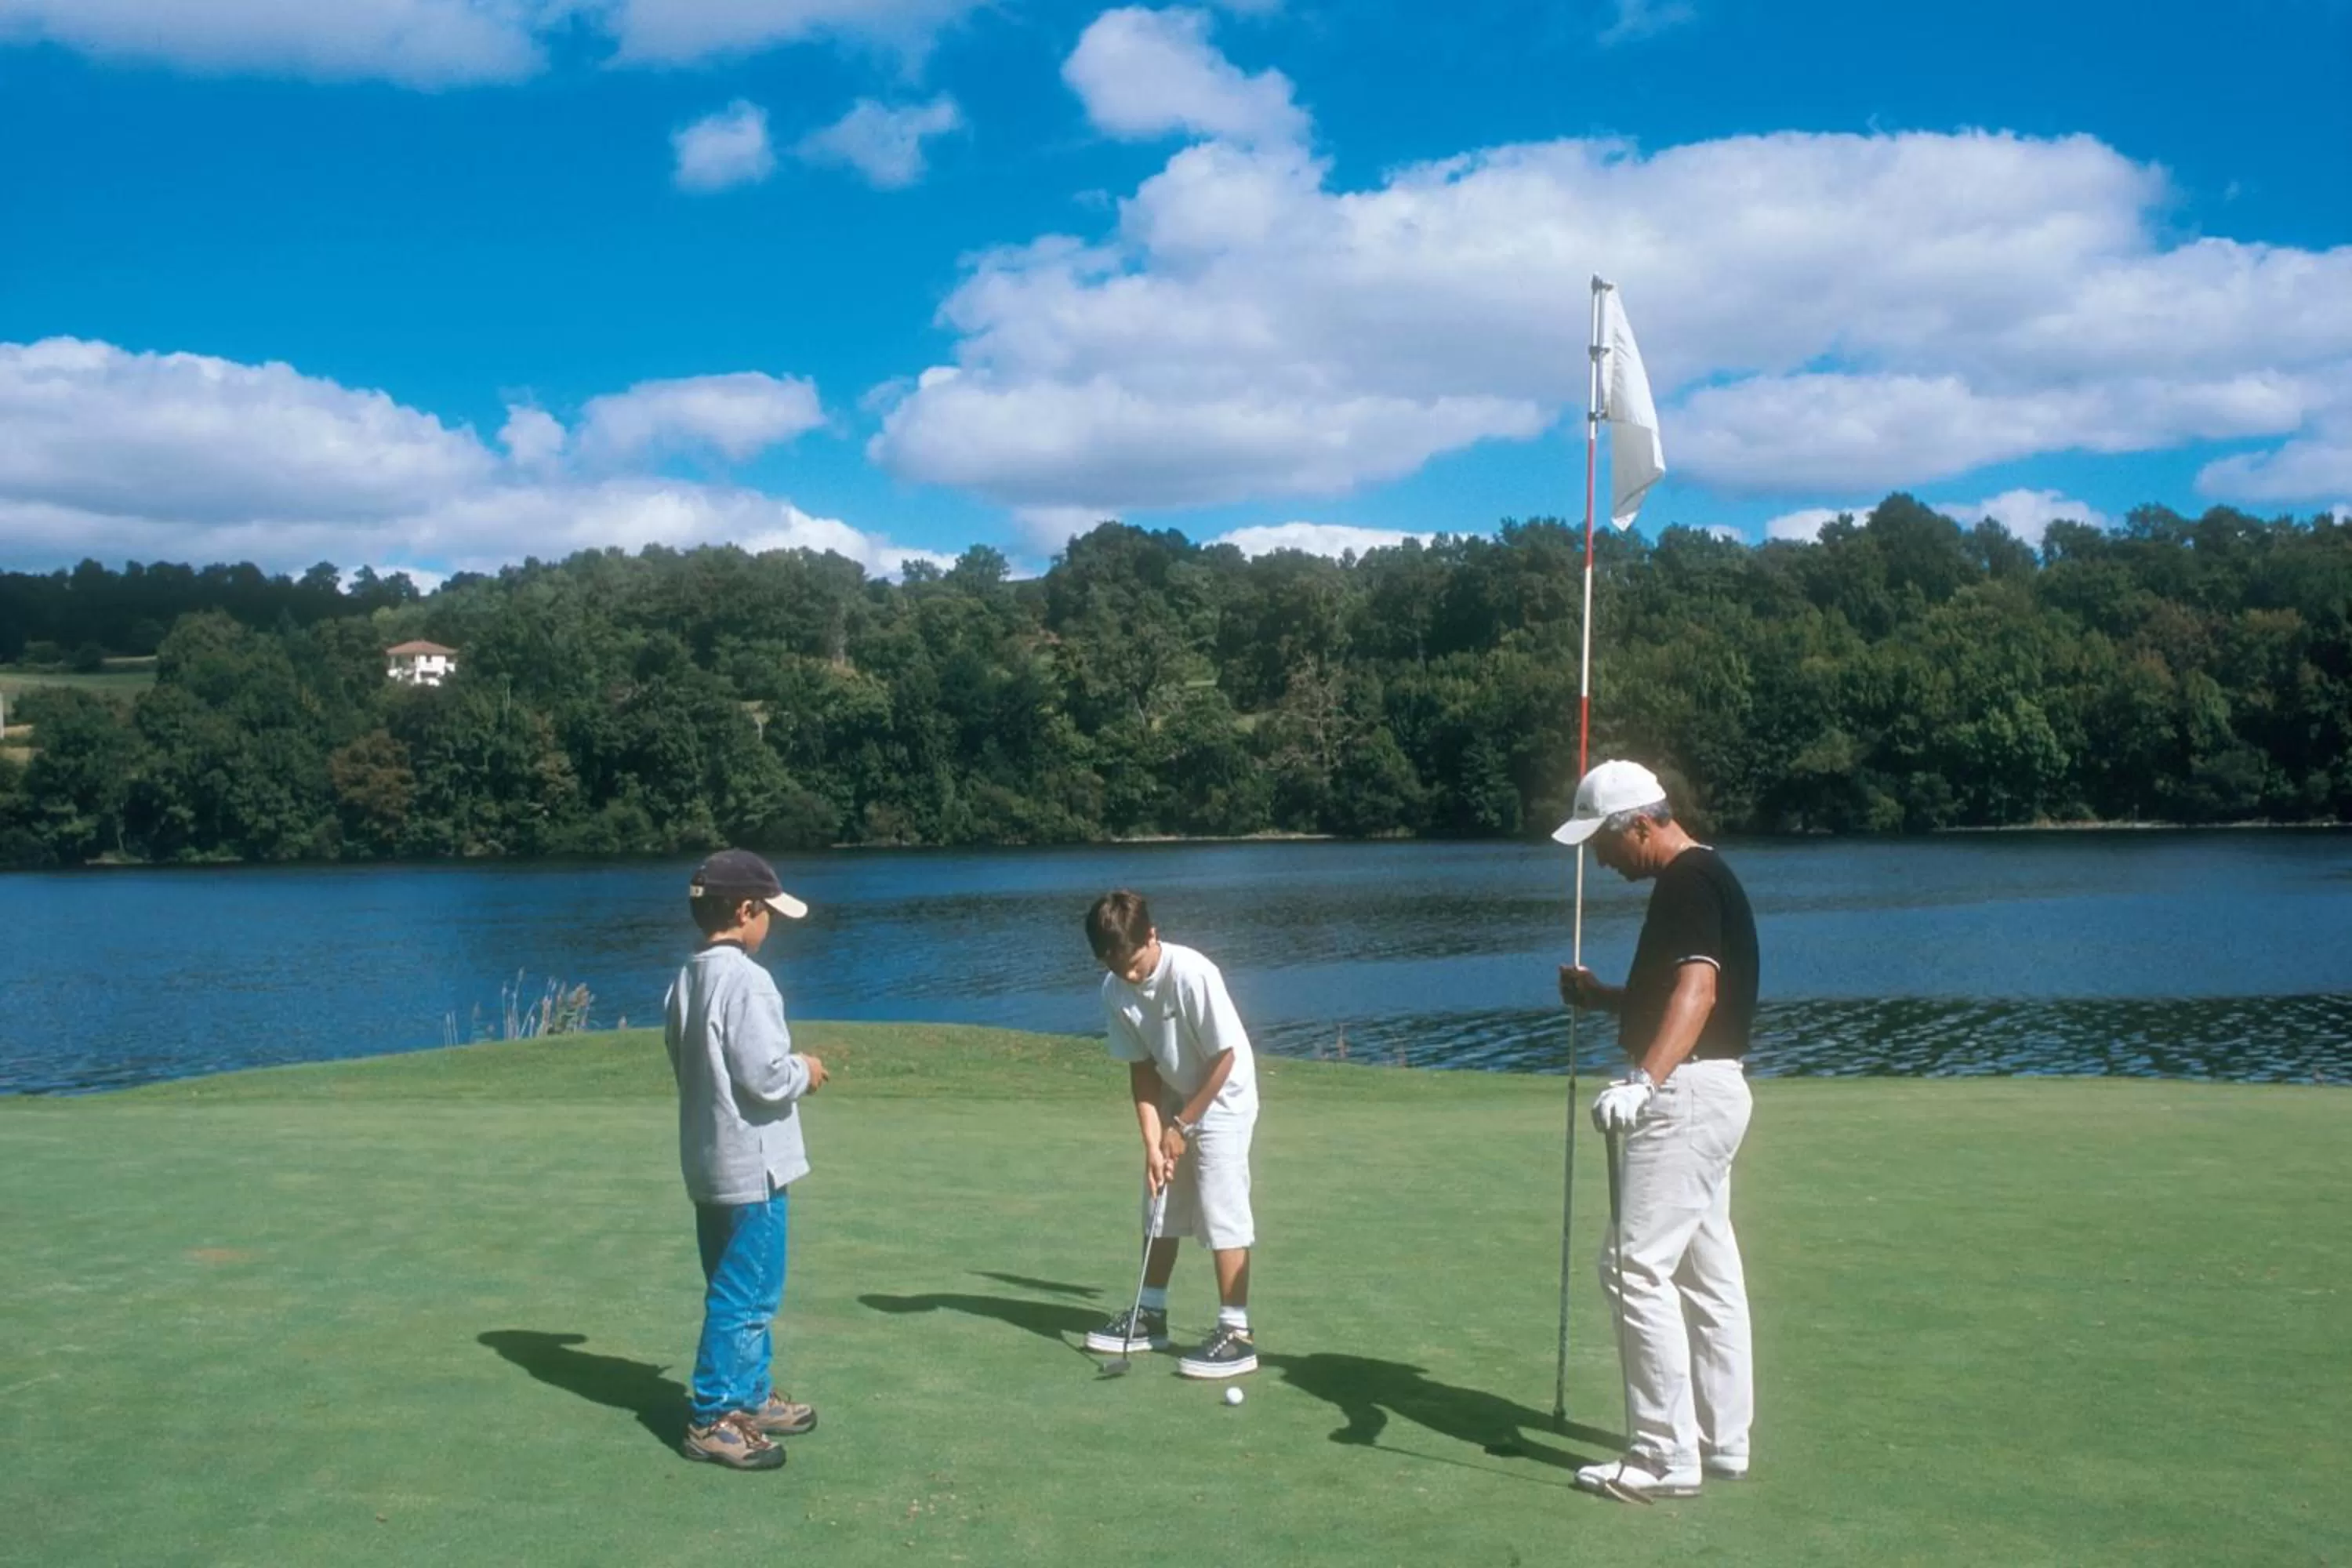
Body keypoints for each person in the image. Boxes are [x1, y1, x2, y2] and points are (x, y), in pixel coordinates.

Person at [1555, 760, 1759, 1501]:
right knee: (1706, 1271)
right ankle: (1722, 1440)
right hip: (1713, 1088)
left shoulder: (1686, 883)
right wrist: (1605, 998)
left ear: (1639, 825)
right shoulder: (1707, 876)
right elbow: (1677, 992)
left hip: (1685, 1095)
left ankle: (1665, 1455)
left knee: (1633, 1267)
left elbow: (1699, 992)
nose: (1601, 861)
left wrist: (1645, 1080)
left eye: (1603, 843)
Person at [662, 848, 830, 1471]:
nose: (770, 926)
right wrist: (805, 1071)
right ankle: (713, 1416)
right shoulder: (748, 980)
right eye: (768, 915)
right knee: (749, 1295)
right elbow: (765, 1075)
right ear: (745, 910)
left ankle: (751, 1395)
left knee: (733, 1285)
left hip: (710, 1161)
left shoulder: (686, 977)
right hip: (754, 1168)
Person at [1080, 890, 1263, 1378]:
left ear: (1152, 937)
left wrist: (1182, 1126)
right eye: (1116, 966)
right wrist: (1152, 1142)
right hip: (1174, 1092)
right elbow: (1141, 1068)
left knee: (1220, 1205)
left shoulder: (1192, 975)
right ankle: (1151, 1315)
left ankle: (1237, 1333)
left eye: (1134, 964)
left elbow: (1224, 1058)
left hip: (1224, 1095)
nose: (1128, 976)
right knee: (1159, 1201)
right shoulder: (1114, 990)